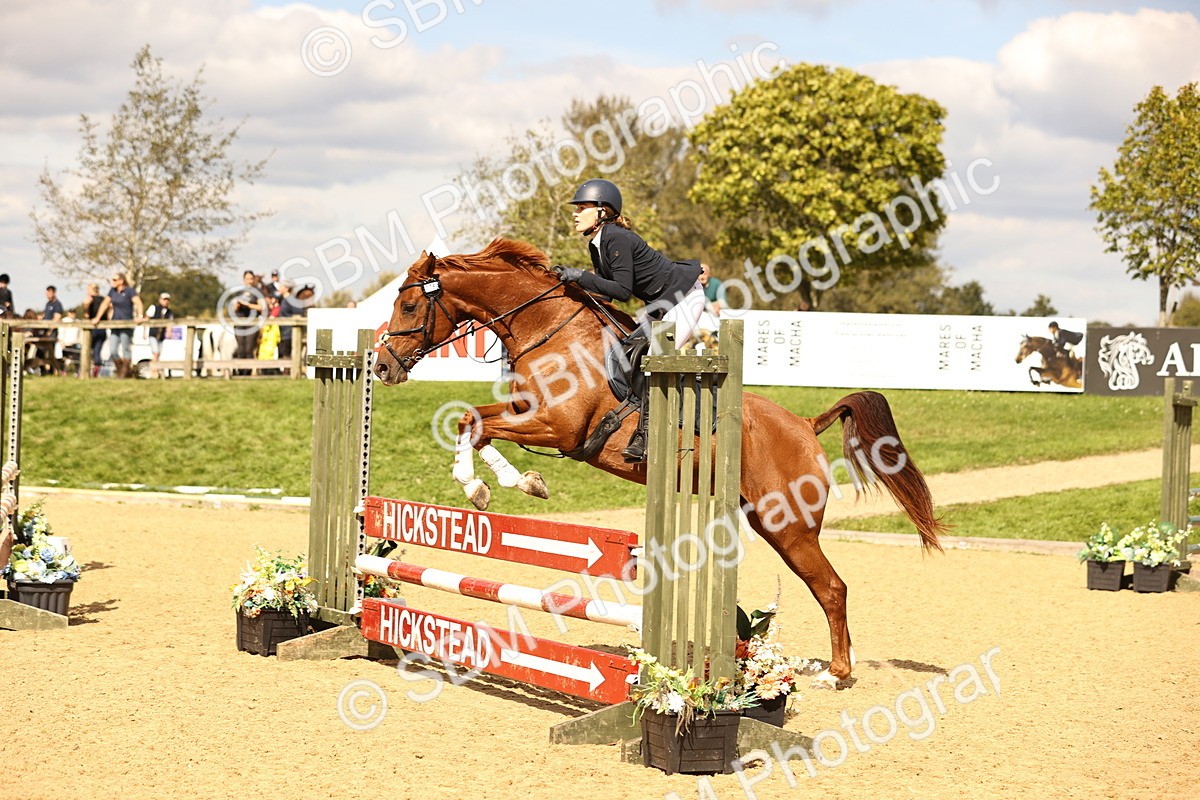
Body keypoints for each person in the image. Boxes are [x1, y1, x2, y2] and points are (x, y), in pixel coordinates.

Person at [557, 178, 705, 462]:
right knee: (622, 355)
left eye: (582, 207)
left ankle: (646, 436)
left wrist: (581, 276)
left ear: (603, 211)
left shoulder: (616, 237)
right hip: (662, 304)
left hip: (685, 299)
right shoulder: (597, 243)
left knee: (652, 361)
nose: (576, 213)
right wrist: (571, 282)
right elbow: (607, 291)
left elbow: (622, 291)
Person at [91, 271, 142, 378]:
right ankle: (122, 371)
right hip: (115, 324)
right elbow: (105, 304)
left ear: (121, 281)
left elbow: (138, 302)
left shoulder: (129, 291)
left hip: (126, 323)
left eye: (114, 280)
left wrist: (139, 315)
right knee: (113, 350)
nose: (112, 282)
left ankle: (123, 374)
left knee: (125, 349)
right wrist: (97, 317)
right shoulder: (112, 292)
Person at [230, 270, 264, 376]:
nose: (249, 281)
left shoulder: (257, 293)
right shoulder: (240, 292)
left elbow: (261, 307)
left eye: (251, 279)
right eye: (247, 279)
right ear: (243, 280)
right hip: (240, 322)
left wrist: (249, 305)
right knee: (241, 349)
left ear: (253, 280)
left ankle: (247, 373)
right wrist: (238, 305)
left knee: (249, 349)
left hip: (252, 324)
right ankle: (240, 372)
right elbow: (234, 309)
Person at [144, 292, 176, 378]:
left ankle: (156, 371)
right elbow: (146, 319)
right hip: (153, 334)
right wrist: (145, 331)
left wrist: (169, 332)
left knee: (158, 354)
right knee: (156, 353)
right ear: (160, 300)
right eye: (164, 299)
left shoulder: (169, 312)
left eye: (167, 300)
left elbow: (170, 324)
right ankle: (153, 371)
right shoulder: (153, 308)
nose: (166, 301)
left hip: (161, 336)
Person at [36, 285, 64, 372]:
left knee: (50, 352)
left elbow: (56, 318)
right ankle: (43, 370)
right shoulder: (48, 304)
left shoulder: (57, 304)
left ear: (54, 293)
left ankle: (53, 370)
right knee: (40, 351)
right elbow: (46, 315)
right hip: (44, 331)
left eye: (50, 293)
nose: (48, 294)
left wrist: (49, 331)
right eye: (47, 292)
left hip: (51, 333)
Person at [83, 283, 107, 377]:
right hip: (103, 329)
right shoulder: (104, 300)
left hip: (92, 329)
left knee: (86, 350)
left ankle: (84, 371)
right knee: (97, 351)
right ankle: (96, 372)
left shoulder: (89, 300)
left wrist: (85, 307)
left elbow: (86, 315)